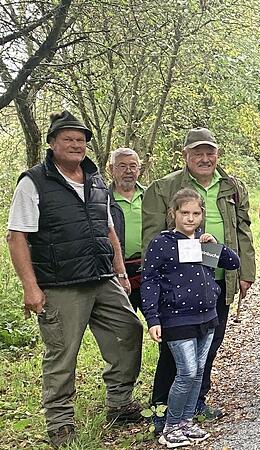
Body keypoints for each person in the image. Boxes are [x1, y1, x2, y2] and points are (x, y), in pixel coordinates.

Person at [7, 111, 143, 447]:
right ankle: (60, 422)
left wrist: (121, 272)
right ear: (52, 144)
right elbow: (16, 237)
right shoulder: (34, 181)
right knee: (62, 353)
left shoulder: (96, 180)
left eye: (80, 140)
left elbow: (108, 228)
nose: (75, 145)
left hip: (103, 277)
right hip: (61, 283)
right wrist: (30, 287)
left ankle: (120, 402)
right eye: (67, 139)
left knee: (128, 331)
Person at [142, 127, 256, 424]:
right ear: (186, 155)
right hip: (176, 287)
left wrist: (247, 271)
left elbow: (243, 230)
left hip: (216, 281)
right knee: (175, 350)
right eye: (198, 153)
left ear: (217, 155)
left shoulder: (232, 186)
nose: (205, 159)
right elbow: (151, 240)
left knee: (210, 342)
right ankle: (162, 408)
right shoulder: (163, 188)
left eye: (210, 153)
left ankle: (195, 402)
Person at [141, 189, 241, 447]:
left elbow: (232, 263)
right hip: (177, 318)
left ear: (201, 215)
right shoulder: (161, 243)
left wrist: (214, 243)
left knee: (197, 372)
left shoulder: (202, 243)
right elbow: (149, 281)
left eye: (196, 213)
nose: (190, 218)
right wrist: (153, 318)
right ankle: (170, 425)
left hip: (207, 316)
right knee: (186, 372)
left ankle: (186, 421)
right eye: (184, 213)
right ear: (173, 213)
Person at [108, 147, 147, 311]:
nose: (128, 171)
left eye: (133, 166)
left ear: (139, 169)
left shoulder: (151, 195)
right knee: (124, 329)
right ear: (111, 169)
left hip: (149, 270)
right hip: (117, 272)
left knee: (161, 324)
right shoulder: (103, 199)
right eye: (122, 166)